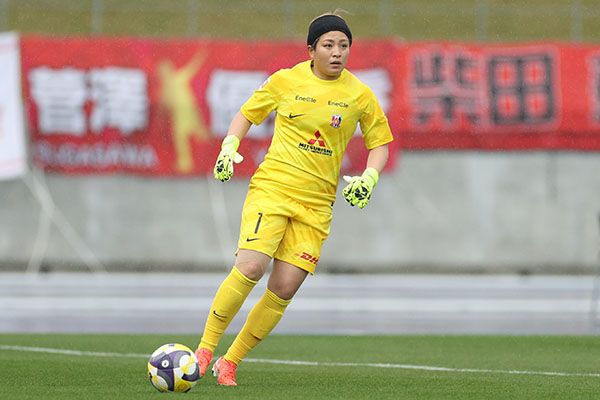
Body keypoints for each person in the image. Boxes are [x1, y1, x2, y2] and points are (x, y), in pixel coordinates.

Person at [195, 11, 394, 386]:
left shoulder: (360, 95)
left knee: (284, 287)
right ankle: (204, 350)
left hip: (316, 205)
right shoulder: (286, 81)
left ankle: (230, 361)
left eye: (344, 45)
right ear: (311, 50)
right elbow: (246, 114)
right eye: (328, 45)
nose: (337, 52)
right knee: (251, 267)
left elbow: (380, 144)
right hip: (273, 189)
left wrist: (370, 176)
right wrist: (228, 146)